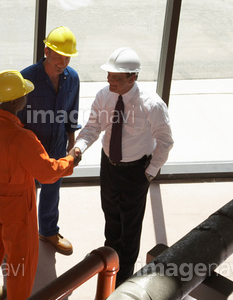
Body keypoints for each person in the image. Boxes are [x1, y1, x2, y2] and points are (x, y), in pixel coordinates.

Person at [0, 70, 80, 300]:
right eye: (24, 94)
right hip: (17, 203)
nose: (28, 96)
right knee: (21, 263)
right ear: (17, 101)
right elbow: (47, 172)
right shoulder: (22, 138)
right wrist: (71, 160)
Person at [74, 47, 174, 287]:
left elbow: (165, 141)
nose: (110, 81)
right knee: (111, 219)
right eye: (108, 75)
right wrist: (79, 147)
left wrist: (149, 173)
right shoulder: (104, 96)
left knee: (130, 228)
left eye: (116, 78)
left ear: (133, 77)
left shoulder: (152, 105)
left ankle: (123, 281)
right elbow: (92, 128)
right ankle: (109, 267)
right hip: (109, 166)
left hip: (135, 172)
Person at [18, 26, 80, 255]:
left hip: (56, 145)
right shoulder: (26, 77)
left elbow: (71, 113)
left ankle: (48, 230)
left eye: (68, 57)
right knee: (24, 193)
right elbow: (15, 117)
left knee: (52, 190)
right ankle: (20, 235)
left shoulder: (72, 78)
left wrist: (71, 146)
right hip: (29, 148)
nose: (63, 62)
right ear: (46, 51)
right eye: (59, 56)